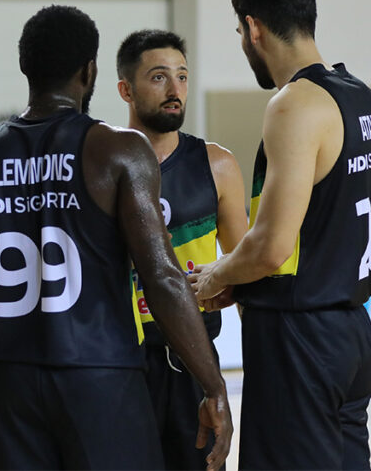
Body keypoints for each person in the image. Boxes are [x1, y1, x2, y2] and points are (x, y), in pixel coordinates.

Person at [0, 5, 233, 471]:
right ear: (89, 70)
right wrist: (213, 385)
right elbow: (161, 277)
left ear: (25, 68)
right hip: (101, 376)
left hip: (13, 383)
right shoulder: (119, 150)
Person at [188, 0, 371, 470]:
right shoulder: (362, 97)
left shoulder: (294, 104)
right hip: (352, 331)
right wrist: (245, 280)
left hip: (300, 339)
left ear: (253, 28)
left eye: (240, 32)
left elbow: (272, 245)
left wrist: (217, 274)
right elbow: (318, 232)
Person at [116, 29, 248, 470]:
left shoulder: (217, 165)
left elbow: (246, 274)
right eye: (159, 77)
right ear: (126, 90)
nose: (175, 89)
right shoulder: (100, 165)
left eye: (182, 76)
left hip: (193, 364)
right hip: (120, 363)